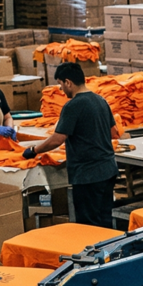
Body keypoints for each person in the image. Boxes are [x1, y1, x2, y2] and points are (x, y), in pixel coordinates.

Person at [23, 62, 117, 228]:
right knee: (105, 220)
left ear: (68, 82)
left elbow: (57, 139)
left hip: (88, 175)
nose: (61, 89)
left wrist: (34, 150)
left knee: (89, 226)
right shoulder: (101, 100)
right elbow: (113, 132)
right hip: (108, 170)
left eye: (60, 84)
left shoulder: (73, 106)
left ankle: (95, 254)